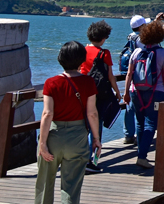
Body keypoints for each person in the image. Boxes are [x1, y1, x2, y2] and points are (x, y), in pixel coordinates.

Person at [35, 41, 101, 204]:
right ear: (81, 61)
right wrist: (96, 139)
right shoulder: (88, 82)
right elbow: (92, 113)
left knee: (45, 182)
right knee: (71, 186)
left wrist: (42, 143)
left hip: (54, 136)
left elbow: (47, 114)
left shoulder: (51, 83)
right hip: (77, 137)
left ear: (60, 58)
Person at [123, 18, 164, 168]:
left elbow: (129, 74)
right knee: (152, 122)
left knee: (140, 121)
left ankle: (141, 152)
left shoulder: (137, 51)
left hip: (135, 92)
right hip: (156, 92)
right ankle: (142, 156)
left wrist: (126, 92)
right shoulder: (163, 53)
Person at [79, 21, 120, 173]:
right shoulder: (105, 53)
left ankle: (80, 158)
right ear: (103, 38)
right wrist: (117, 91)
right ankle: (93, 161)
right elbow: (110, 75)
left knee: (83, 126)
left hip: (83, 92)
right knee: (96, 127)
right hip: (99, 95)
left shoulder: (82, 50)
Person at [119, 15, 147, 145]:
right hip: (139, 74)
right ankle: (140, 134)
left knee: (130, 107)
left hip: (128, 74)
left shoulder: (130, 36)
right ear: (141, 26)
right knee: (140, 106)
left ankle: (128, 134)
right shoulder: (141, 39)